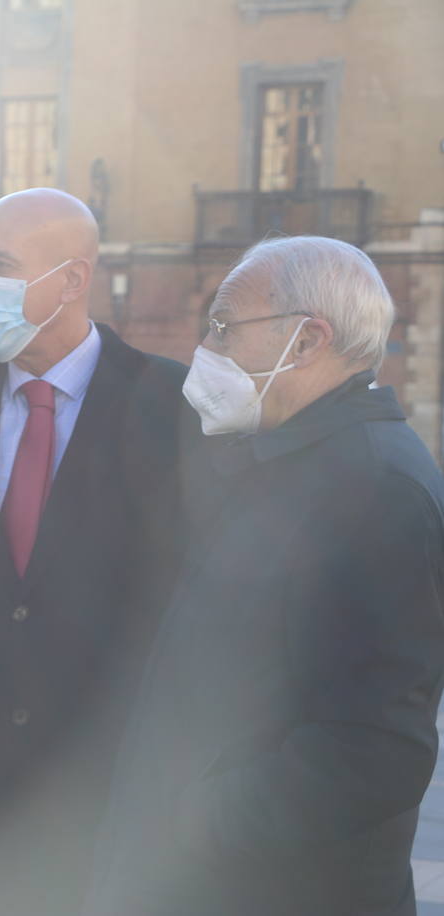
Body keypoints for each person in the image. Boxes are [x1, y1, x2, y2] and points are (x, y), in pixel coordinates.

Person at [85, 236, 444, 916]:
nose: (206, 351)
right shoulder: (280, 457)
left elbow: (374, 751)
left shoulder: (379, 485)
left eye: (223, 329)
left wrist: (190, 822)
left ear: (308, 340)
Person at [0, 188, 193, 915]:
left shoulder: (179, 410)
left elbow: (192, 602)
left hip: (119, 800)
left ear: (72, 279)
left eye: (1, 264)